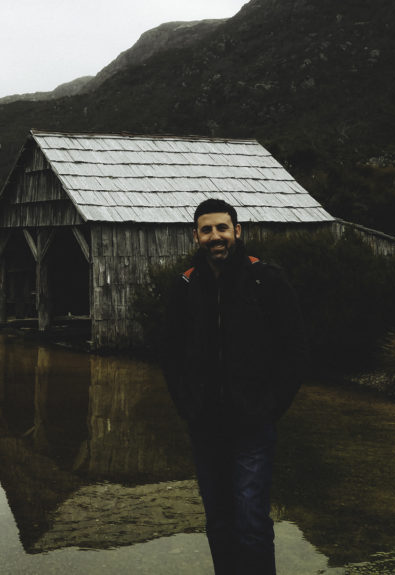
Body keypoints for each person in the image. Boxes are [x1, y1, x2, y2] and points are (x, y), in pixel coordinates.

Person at [160, 198, 308, 575]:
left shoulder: (267, 280)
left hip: (253, 425)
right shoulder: (185, 286)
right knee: (219, 523)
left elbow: (294, 350)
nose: (215, 237)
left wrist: (270, 408)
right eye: (207, 230)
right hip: (206, 425)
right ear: (196, 235)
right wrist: (188, 406)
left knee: (252, 522)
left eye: (222, 228)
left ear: (237, 232)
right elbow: (170, 354)